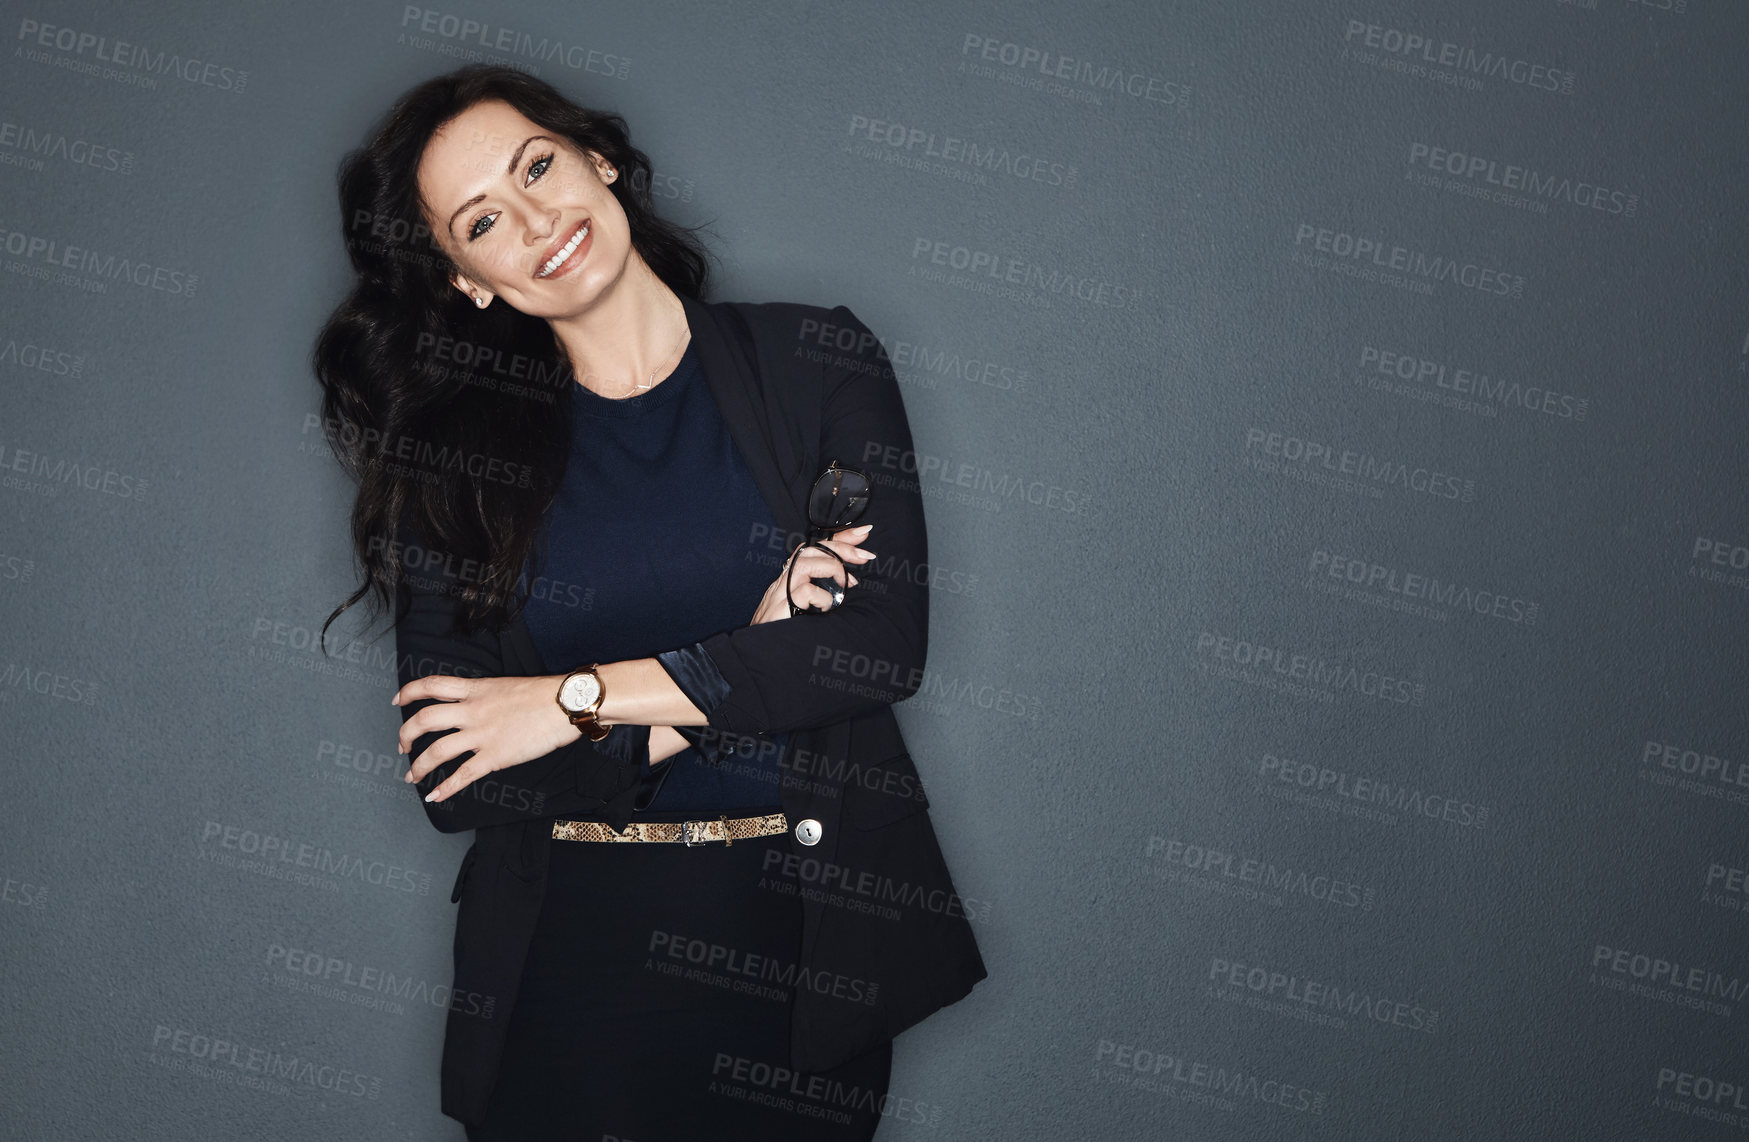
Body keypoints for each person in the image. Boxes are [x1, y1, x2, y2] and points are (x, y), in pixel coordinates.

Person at [312, 64, 987, 1139]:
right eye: (484, 219)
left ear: (600, 159)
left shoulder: (818, 358)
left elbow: (876, 647)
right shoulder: (452, 467)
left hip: (805, 955)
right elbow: (462, 783)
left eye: (538, 166)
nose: (536, 218)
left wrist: (569, 699)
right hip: (572, 969)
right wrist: (736, 661)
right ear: (466, 279)